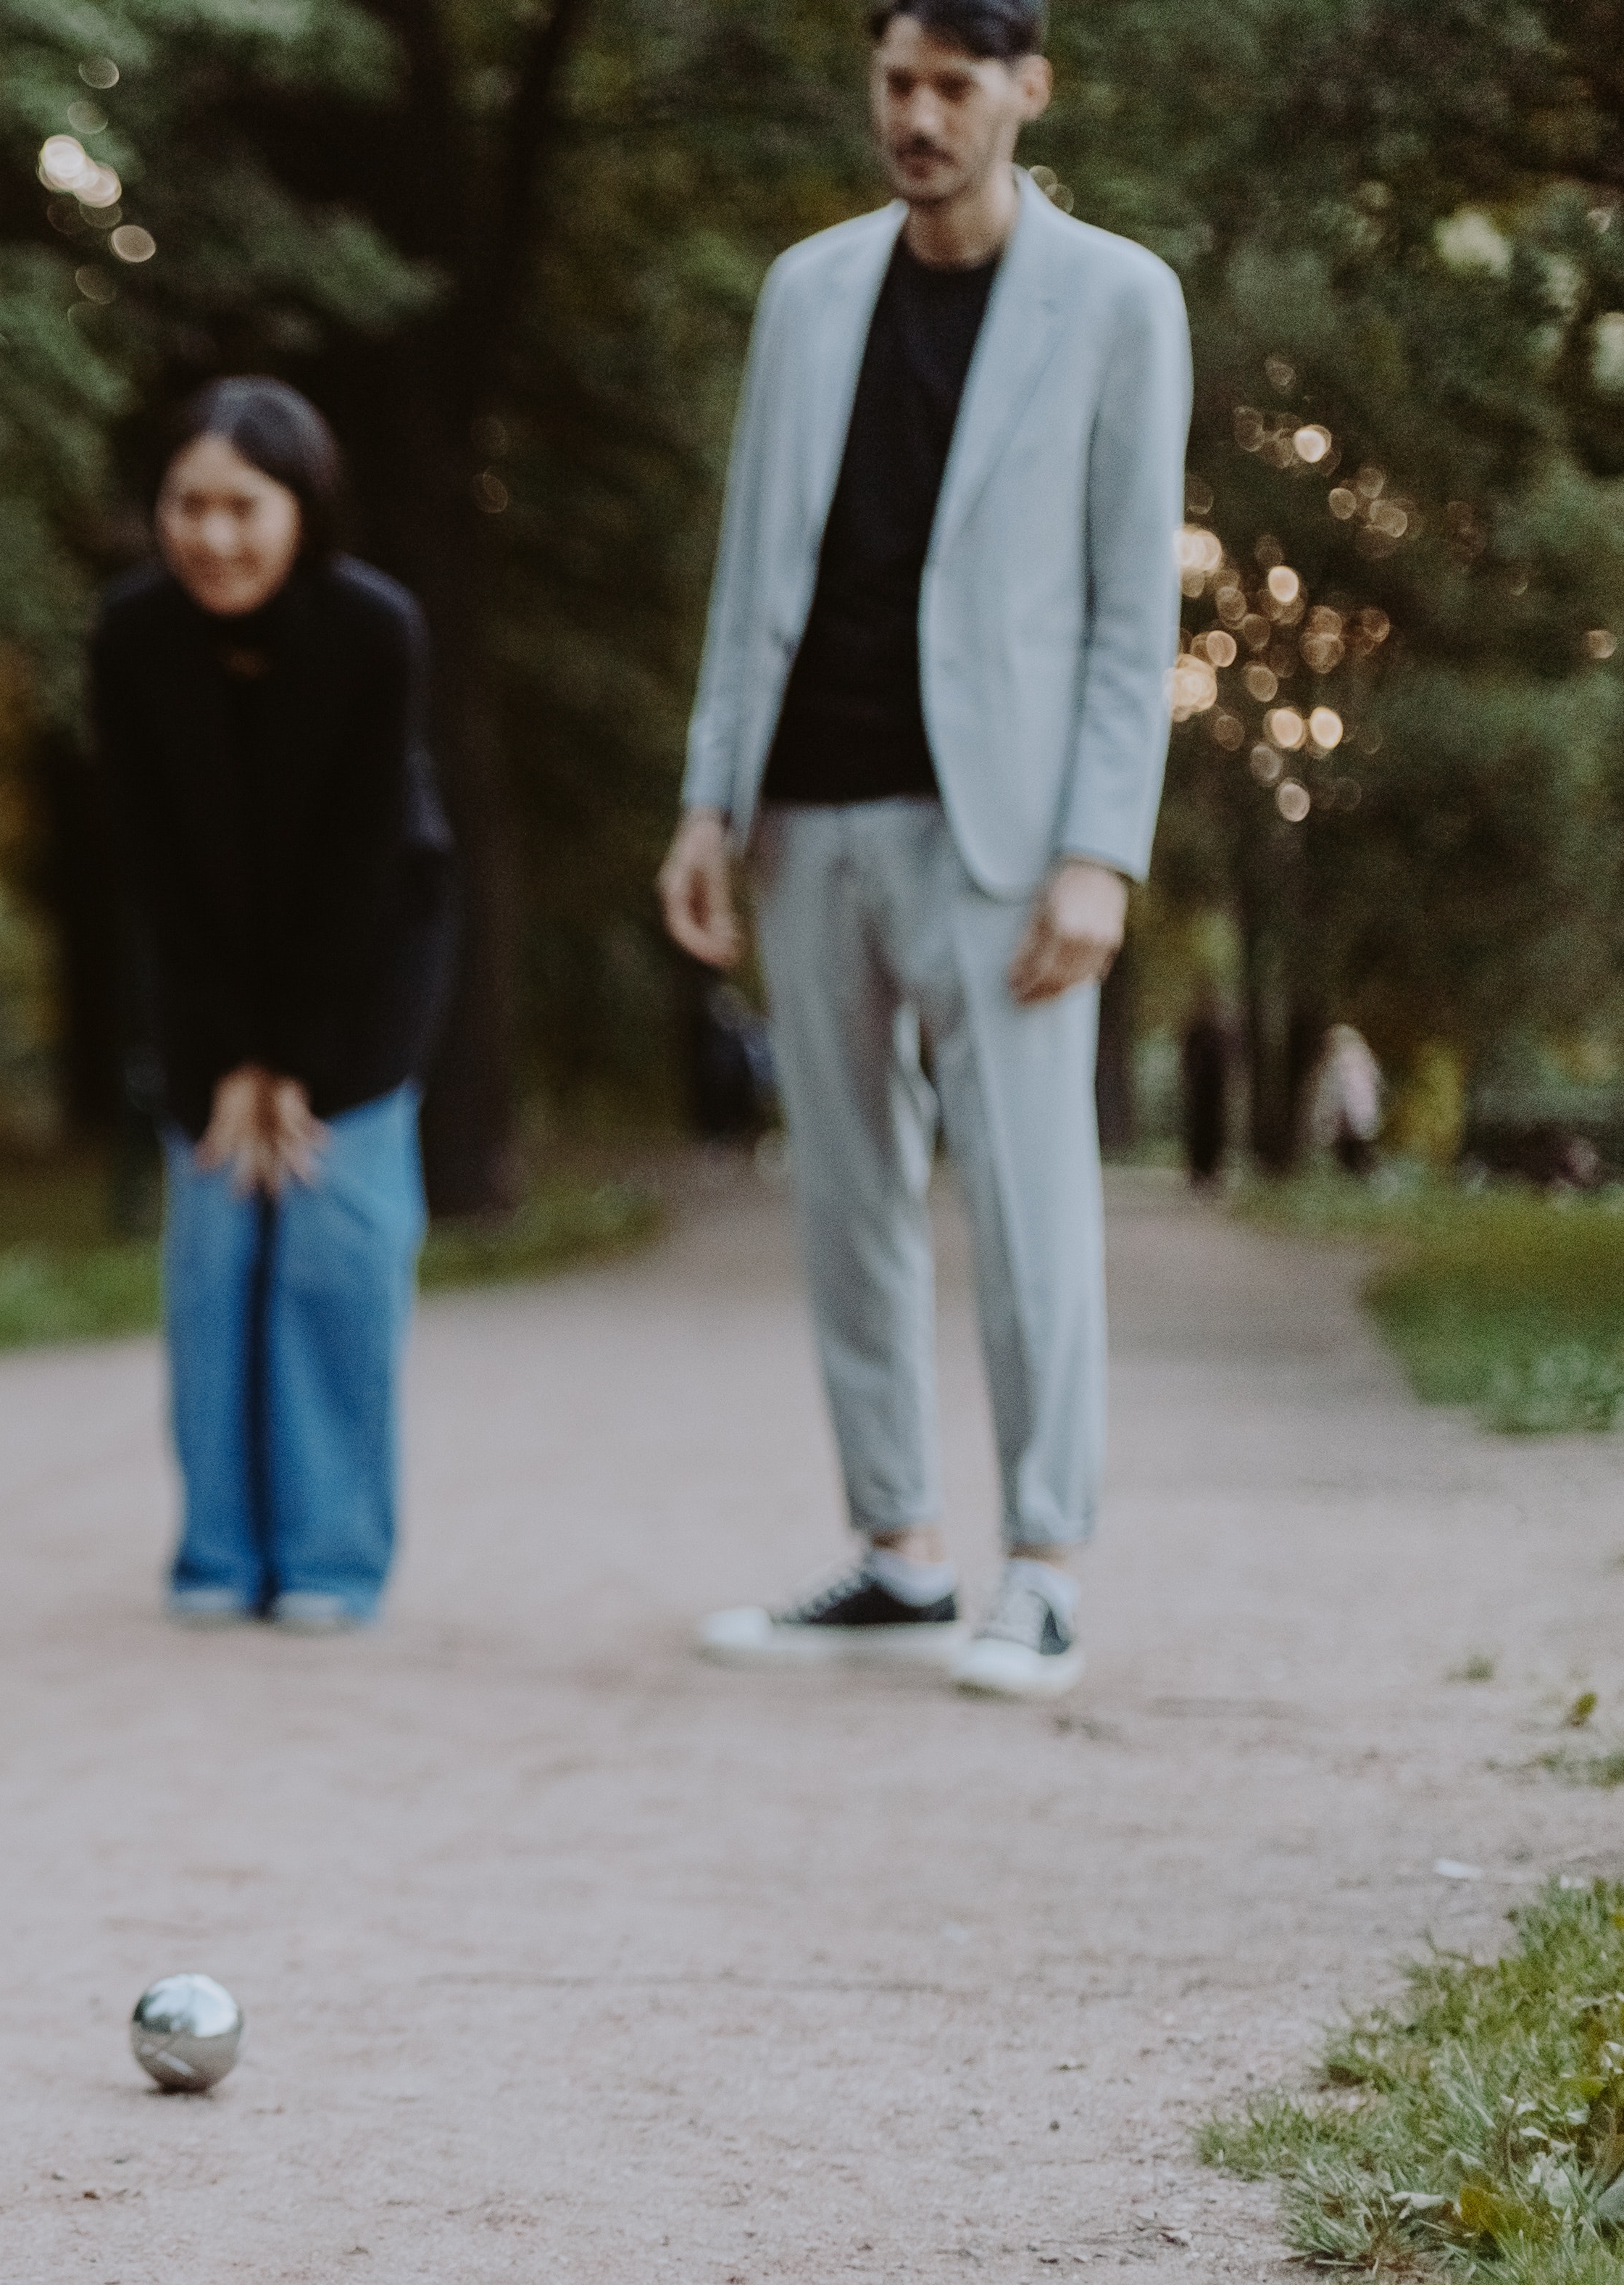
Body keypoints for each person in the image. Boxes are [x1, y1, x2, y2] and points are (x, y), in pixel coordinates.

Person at [661, 0, 1189, 1700]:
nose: (915, 116)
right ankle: (894, 1550)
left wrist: (1099, 850)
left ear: (1023, 93)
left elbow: (1130, 612)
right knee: (843, 1200)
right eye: (893, 83)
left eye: (950, 87)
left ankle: (1038, 1566)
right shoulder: (805, 290)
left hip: (1005, 833)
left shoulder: (1116, 300)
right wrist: (703, 801)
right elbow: (751, 567)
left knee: (1029, 1205)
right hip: (803, 813)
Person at [93, 379, 454, 1633]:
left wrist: (293, 1058)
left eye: (243, 507)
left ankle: (331, 1559)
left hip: (360, 988)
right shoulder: (130, 636)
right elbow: (151, 868)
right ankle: (216, 1553)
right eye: (187, 506)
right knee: (213, 1264)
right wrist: (224, 1059)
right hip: (206, 998)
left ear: (301, 509)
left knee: (331, 1262)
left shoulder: (374, 631)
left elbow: (360, 864)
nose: (214, 536)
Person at [1307, 1023, 1383, 1178]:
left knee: (1355, 1151)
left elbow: (1338, 1090)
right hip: (1358, 1114)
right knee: (1357, 1150)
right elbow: (1377, 1082)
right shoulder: (1364, 1057)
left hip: (1350, 1113)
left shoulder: (1341, 1061)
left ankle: (1366, 1177)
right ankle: (1363, 1177)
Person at [1177, 998, 1233, 1189]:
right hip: (1200, 1093)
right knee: (1199, 1133)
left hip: (1213, 1094)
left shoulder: (1218, 1033)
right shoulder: (1200, 1033)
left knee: (1213, 1134)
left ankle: (1209, 1171)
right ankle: (1199, 1172)